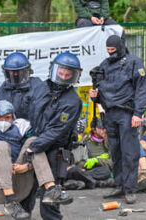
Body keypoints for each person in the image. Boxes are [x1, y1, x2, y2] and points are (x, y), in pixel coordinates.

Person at [0, 100, 73, 220]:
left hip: (20, 181)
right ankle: (10, 202)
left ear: (13, 117)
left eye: (7, 117)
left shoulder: (20, 128)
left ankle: (51, 189)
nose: (3, 121)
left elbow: (35, 147)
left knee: (34, 142)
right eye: (0, 117)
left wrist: (27, 166)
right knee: (2, 145)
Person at [89, 34, 146, 204]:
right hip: (110, 113)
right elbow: (100, 89)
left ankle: (130, 189)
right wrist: (95, 96)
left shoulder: (133, 62)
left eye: (113, 50)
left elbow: (142, 89)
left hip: (127, 113)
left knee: (129, 152)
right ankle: (119, 184)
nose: (110, 53)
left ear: (120, 47)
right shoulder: (105, 65)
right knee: (115, 151)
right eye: (108, 50)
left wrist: (138, 113)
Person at [28, 52, 83, 220]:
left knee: (50, 198)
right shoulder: (40, 87)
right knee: (26, 191)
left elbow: (57, 129)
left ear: (75, 76)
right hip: (33, 144)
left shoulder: (73, 101)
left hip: (53, 150)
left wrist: (34, 147)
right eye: (61, 72)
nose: (64, 77)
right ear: (54, 70)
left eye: (68, 74)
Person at [65, 117, 114, 190]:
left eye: (105, 128)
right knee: (75, 170)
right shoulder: (85, 141)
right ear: (94, 129)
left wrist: (97, 160)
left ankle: (84, 181)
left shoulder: (108, 142)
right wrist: (85, 165)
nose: (104, 130)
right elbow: (78, 162)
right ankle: (96, 182)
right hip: (84, 169)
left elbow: (112, 162)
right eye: (101, 128)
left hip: (95, 170)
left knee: (105, 171)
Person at [0, 52, 44, 120]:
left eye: (18, 71)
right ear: (6, 72)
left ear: (27, 71)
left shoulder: (37, 86)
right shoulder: (3, 88)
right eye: (12, 72)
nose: (15, 74)